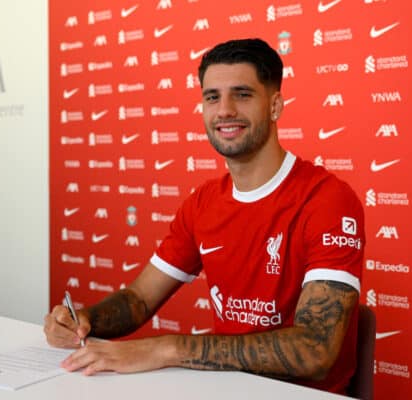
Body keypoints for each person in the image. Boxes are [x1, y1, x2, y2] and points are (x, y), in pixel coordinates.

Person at [44, 38, 365, 395]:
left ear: (275, 106)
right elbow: (138, 299)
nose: (224, 110)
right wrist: (87, 320)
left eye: (242, 94)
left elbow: (314, 350)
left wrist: (168, 349)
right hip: (224, 387)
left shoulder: (327, 199)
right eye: (212, 97)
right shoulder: (203, 202)